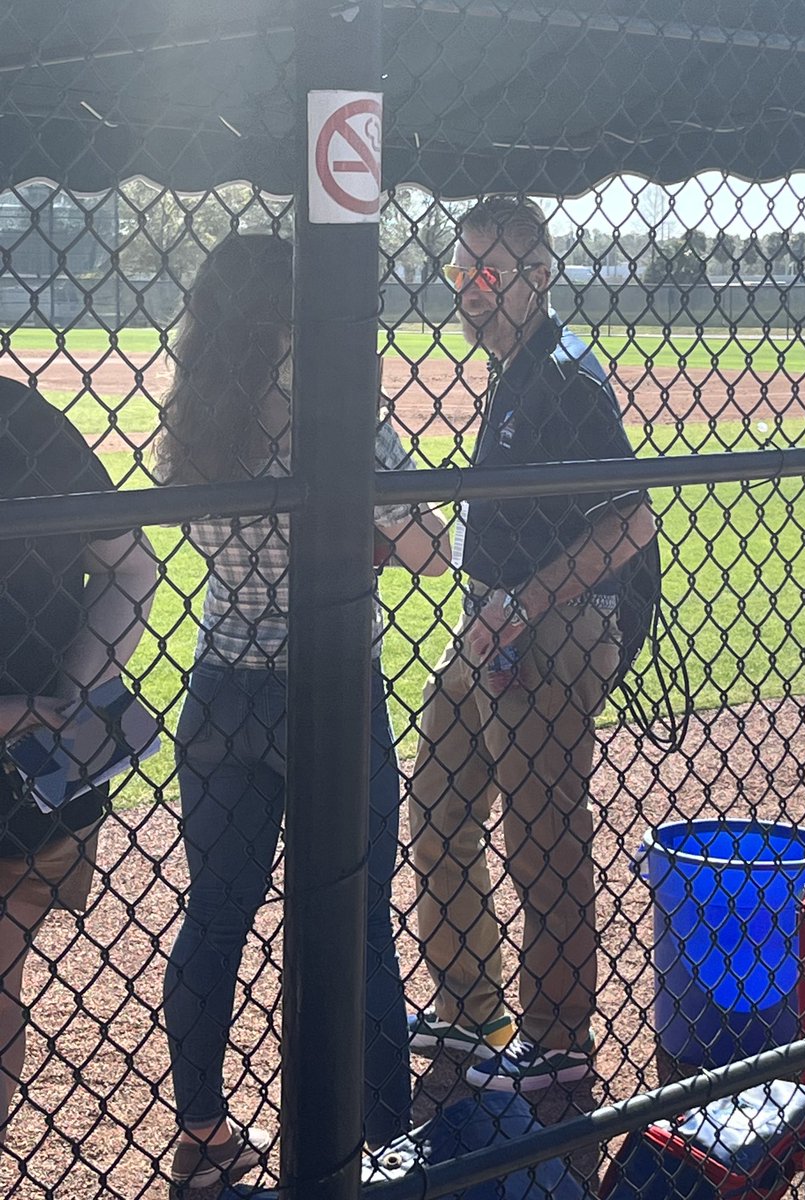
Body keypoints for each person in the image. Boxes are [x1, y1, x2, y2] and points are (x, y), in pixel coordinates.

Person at [156, 234, 449, 1189]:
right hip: (329, 686)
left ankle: (201, 1134)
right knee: (359, 920)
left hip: (221, 682)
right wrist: (361, 532)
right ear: (293, 313)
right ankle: (383, 1142)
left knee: (215, 915)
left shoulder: (198, 414)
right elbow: (425, 549)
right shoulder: (332, 403)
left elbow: (203, 532)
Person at [407, 196, 658, 1091]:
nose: (470, 291)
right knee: (435, 813)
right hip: (494, 619)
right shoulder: (515, 369)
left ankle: (556, 1042)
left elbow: (631, 522)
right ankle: (474, 1009)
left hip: (552, 624)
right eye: (459, 272)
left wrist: (523, 602)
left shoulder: (564, 376)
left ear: (539, 275)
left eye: (488, 273)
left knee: (540, 834)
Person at [0, 376, 156, 1136]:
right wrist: (65, 703)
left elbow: (134, 566)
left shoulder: (27, 421)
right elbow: (134, 568)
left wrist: (55, 705)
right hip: (39, 783)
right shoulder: (28, 419)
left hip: (29, 788)